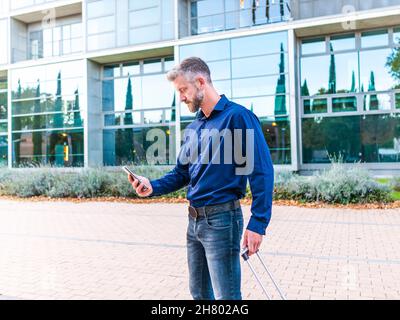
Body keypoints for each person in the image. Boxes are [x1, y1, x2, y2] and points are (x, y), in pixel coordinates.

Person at [128, 57, 274, 300]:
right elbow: (182, 173)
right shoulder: (195, 127)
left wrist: (258, 223)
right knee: (199, 295)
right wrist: (151, 186)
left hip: (222, 221)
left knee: (226, 298)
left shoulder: (237, 117)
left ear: (200, 81)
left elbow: (260, 172)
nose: (182, 97)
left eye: (183, 90)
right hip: (193, 222)